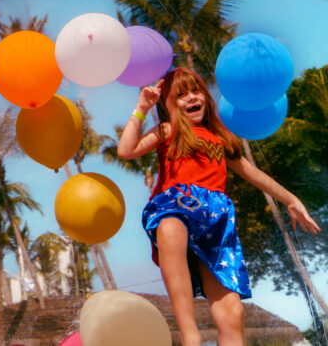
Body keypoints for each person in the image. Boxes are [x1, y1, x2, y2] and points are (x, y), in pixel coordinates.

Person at [117, 67, 320, 346]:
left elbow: (254, 174)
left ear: (205, 97)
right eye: (180, 95)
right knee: (170, 230)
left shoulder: (222, 139)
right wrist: (140, 109)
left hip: (217, 220)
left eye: (195, 90)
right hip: (177, 205)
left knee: (232, 311)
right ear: (170, 105)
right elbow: (126, 150)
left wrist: (292, 200)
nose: (190, 98)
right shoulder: (169, 129)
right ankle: (190, 336)